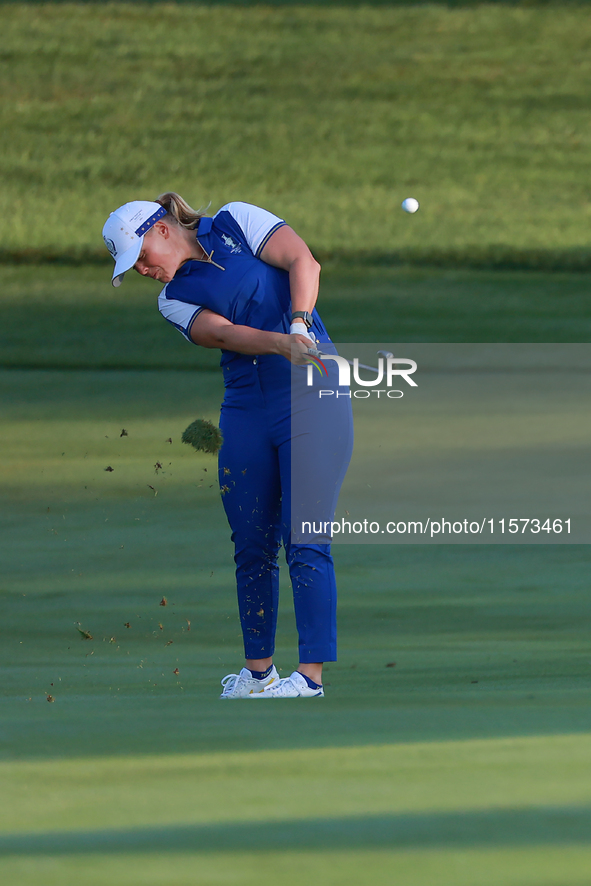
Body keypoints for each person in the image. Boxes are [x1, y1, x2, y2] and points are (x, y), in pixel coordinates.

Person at [102, 194, 353, 698]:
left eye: (142, 256)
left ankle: (310, 679)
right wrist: (282, 342)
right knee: (251, 542)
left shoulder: (236, 221)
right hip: (245, 407)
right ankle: (259, 676)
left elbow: (303, 259)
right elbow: (226, 334)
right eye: (134, 267)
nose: (145, 270)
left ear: (163, 230)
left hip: (312, 393)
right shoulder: (171, 299)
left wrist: (299, 323)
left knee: (303, 537)